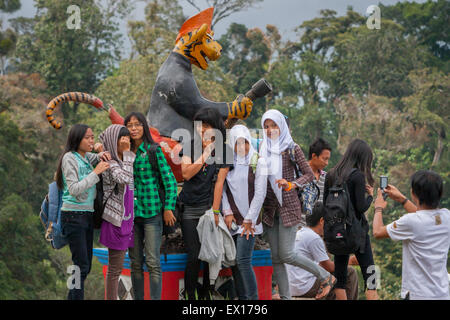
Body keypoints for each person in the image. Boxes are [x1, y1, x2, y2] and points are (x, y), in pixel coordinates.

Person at [260, 109, 335, 300]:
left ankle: (325, 276)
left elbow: (308, 174)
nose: (270, 130)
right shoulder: (263, 148)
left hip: (289, 207)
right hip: (270, 209)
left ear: (281, 126)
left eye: (274, 125)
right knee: (276, 258)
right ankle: (286, 297)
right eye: (266, 126)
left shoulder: (292, 148)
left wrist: (292, 184)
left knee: (286, 254)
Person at [179, 107, 233, 300]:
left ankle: (207, 293)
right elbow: (186, 173)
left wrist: (216, 211)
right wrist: (206, 152)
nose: (202, 129)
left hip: (208, 209)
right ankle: (190, 296)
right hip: (188, 208)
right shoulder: (189, 145)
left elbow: (220, 183)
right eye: (200, 125)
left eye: (207, 125)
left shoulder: (225, 151)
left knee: (211, 253)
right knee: (193, 254)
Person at [373, 170, 450, 300]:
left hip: (417, 294)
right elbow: (424, 218)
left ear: (413, 193)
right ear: (440, 193)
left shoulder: (410, 221)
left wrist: (378, 208)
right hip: (442, 293)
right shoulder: (446, 217)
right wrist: (402, 199)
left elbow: (377, 232)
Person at [125, 112, 178, 300]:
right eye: (130, 125)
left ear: (144, 127)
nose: (133, 128)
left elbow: (170, 182)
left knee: (153, 262)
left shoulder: (153, 151)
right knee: (135, 262)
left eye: (137, 124)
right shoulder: (123, 153)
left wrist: (168, 208)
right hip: (130, 216)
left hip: (152, 213)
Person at [56, 124, 110, 300]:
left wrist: (101, 154)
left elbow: (97, 156)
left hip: (86, 215)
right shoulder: (69, 158)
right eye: (87, 137)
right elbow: (73, 189)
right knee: (80, 265)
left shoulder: (86, 157)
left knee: (84, 266)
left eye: (92, 137)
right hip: (73, 215)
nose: (91, 141)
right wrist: (96, 173)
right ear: (76, 139)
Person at [323, 139, 379, 300]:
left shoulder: (331, 174)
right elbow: (361, 208)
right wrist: (370, 197)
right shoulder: (357, 176)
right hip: (356, 233)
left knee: (340, 278)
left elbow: (326, 202)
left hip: (337, 232)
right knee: (370, 274)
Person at [221, 125, 267, 300]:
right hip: (232, 220)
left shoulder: (258, 161)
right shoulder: (229, 161)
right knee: (235, 263)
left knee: (243, 261)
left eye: (245, 143)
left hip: (249, 222)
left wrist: (249, 220)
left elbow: (260, 193)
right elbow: (223, 188)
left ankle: (252, 300)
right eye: (238, 143)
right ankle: (243, 298)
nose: (242, 147)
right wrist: (227, 212)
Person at [287, 203, 359, 300]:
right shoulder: (314, 237)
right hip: (304, 286)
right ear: (322, 221)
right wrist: (351, 261)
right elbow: (328, 267)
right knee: (349, 272)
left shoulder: (301, 233)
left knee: (333, 282)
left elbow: (320, 266)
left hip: (292, 285)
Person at [98, 124, 136, 300]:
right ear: (114, 140)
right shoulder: (110, 162)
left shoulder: (125, 160)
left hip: (126, 220)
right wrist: (128, 154)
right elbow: (124, 178)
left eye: (128, 137)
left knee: (118, 268)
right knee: (115, 269)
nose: (127, 140)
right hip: (115, 221)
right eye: (122, 137)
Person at [308, 138, 332, 203]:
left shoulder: (326, 177)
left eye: (328, 159)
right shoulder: (299, 173)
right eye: (324, 159)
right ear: (314, 156)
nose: (327, 163)